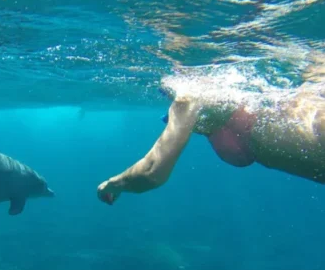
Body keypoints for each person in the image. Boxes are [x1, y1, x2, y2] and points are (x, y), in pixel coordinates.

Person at [97, 61, 325, 205]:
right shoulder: (232, 100)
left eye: (163, 90)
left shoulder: (189, 93)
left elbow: (151, 172)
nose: (165, 97)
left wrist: (113, 183)